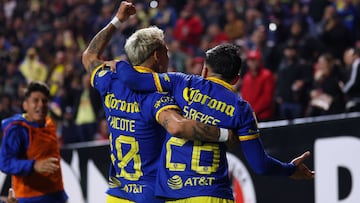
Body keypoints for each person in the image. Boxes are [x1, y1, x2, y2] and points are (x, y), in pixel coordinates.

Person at [117, 43, 315, 202]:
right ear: (236, 79)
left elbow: (132, 79)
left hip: (173, 194)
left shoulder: (181, 82)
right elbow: (260, 165)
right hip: (213, 194)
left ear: (204, 70)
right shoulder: (242, 108)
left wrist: (117, 64)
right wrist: (289, 169)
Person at [81, 2, 230, 203]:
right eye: (166, 52)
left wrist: (118, 20)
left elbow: (89, 55)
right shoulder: (158, 95)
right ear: (157, 56)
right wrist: (225, 134)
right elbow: (177, 127)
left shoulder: (109, 80)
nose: (168, 57)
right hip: (151, 196)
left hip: (118, 195)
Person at [0, 81, 68, 203]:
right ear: (25, 105)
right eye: (35, 101)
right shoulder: (17, 129)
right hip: (30, 198)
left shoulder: (49, 123)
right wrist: (33, 166)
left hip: (57, 195)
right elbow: (5, 163)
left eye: (44, 101)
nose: (41, 105)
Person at [341, 47, 360, 112]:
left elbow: (352, 81)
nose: (346, 58)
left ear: (355, 55)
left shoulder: (356, 63)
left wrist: (344, 90)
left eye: (349, 56)